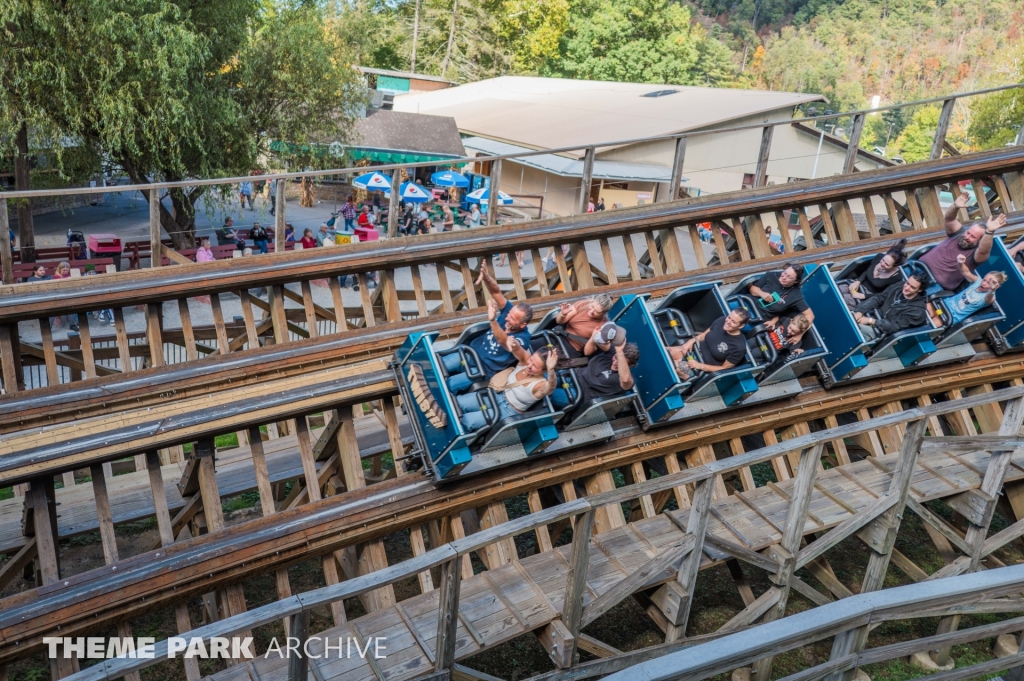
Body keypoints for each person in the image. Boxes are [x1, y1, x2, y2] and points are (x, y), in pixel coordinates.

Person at [442, 261, 534, 393]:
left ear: (522, 324)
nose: (508, 318)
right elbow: (496, 292)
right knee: (439, 367)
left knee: (449, 385)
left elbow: (504, 342)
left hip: (481, 369)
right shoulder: (508, 312)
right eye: (509, 314)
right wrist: (486, 277)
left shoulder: (523, 339)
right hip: (469, 353)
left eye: (513, 318)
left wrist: (492, 320)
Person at [456, 340, 559, 431]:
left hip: (507, 411)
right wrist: (512, 342)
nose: (529, 366)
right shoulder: (524, 361)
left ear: (543, 371)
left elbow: (551, 386)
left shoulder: (540, 385)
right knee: (459, 403)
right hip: (497, 395)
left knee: (467, 421)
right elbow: (516, 347)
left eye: (535, 366)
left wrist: (551, 370)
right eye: (531, 360)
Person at [920, 191, 1004, 290]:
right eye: (968, 233)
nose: (967, 237)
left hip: (935, 285)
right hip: (918, 267)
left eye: (973, 237)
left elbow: (983, 250)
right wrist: (955, 206)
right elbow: (949, 219)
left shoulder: (977, 255)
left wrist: (989, 232)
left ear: (980, 241)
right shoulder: (959, 233)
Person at [551, 327, 638, 410]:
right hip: (571, 376)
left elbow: (625, 380)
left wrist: (619, 352)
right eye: (615, 357)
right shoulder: (611, 352)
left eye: (620, 361)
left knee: (548, 394)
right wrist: (596, 335)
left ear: (629, 365)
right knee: (543, 379)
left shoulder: (627, 380)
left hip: (579, 394)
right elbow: (597, 342)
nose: (615, 363)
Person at [667, 308, 750, 380]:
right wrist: (690, 342)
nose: (728, 321)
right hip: (694, 351)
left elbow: (723, 369)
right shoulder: (721, 320)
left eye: (733, 322)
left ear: (741, 326)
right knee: (664, 352)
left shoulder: (739, 347)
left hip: (702, 369)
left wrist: (699, 366)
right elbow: (704, 335)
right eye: (729, 317)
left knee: (670, 364)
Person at [852, 272, 929, 340]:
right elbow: (879, 298)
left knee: (853, 329)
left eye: (912, 287)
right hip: (872, 315)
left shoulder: (917, 311)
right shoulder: (900, 285)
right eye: (907, 283)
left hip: (881, 331)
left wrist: (871, 321)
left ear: (919, 290)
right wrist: (860, 311)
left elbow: (894, 327)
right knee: (849, 317)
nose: (907, 287)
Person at [841, 239, 908, 307]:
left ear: (894, 266)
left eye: (887, 264)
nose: (882, 264)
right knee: (839, 289)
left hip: (868, 296)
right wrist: (858, 281)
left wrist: (864, 296)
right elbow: (867, 270)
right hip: (860, 284)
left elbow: (883, 295)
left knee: (844, 299)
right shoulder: (879, 256)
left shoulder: (897, 277)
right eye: (883, 260)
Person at [941, 257, 1006, 324]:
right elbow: (966, 272)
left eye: (988, 283)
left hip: (951, 317)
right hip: (944, 303)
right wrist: (960, 263)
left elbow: (989, 298)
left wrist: (992, 290)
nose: (983, 283)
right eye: (984, 280)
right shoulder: (978, 281)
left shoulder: (990, 297)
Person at [747, 264, 814, 328]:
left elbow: (810, 316)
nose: (784, 277)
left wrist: (800, 334)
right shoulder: (771, 275)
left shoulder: (796, 295)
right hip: (748, 303)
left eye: (789, 277)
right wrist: (762, 294)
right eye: (784, 273)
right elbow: (752, 289)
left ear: (796, 281)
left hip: (761, 318)